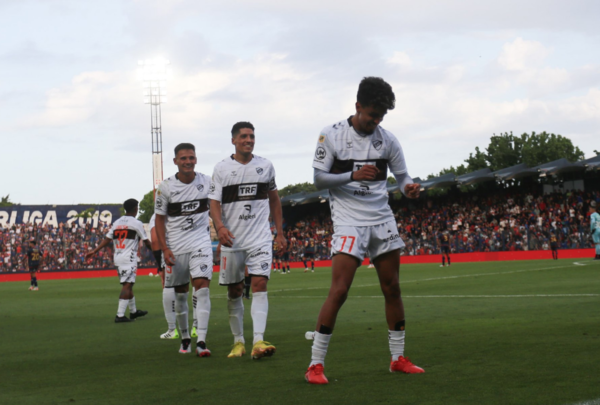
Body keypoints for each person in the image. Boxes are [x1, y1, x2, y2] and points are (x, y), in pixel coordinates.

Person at [306, 77, 424, 384]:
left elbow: (402, 176)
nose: (376, 121)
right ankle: (315, 365)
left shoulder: (388, 140)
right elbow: (318, 180)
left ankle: (398, 359)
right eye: (372, 114)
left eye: (381, 116)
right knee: (340, 290)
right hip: (348, 220)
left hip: (381, 218)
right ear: (357, 106)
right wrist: (352, 174)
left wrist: (408, 188)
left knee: (392, 288)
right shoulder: (331, 135)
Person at [209, 121, 287, 360]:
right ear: (233, 140)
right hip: (233, 239)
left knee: (260, 285)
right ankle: (238, 342)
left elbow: (274, 199)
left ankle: (258, 340)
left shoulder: (266, 166)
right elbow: (213, 202)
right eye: (243, 136)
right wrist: (219, 227)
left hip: (260, 237)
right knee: (234, 290)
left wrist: (280, 232)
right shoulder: (221, 168)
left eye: (252, 136)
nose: (249, 140)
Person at [154, 143, 214, 356]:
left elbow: (216, 206)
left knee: (202, 287)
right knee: (181, 294)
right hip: (176, 247)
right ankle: (186, 338)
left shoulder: (207, 182)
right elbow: (159, 220)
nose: (188, 161)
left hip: (201, 242)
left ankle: (202, 341)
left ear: (196, 159)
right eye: (183, 158)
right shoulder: (165, 187)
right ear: (175, 161)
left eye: (191, 157)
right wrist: (164, 248)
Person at [85, 199, 151, 323]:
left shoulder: (117, 223)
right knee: (127, 285)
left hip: (119, 257)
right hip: (128, 258)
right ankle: (120, 315)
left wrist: (94, 250)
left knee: (128, 283)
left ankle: (133, 312)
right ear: (135, 208)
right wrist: (158, 252)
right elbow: (146, 241)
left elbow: (107, 239)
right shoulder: (136, 223)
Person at [149, 214, 179, 339]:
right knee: (198, 285)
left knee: (169, 285)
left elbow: (155, 240)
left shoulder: (157, 215)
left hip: (170, 251)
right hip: (195, 248)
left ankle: (172, 329)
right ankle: (197, 327)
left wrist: (160, 268)